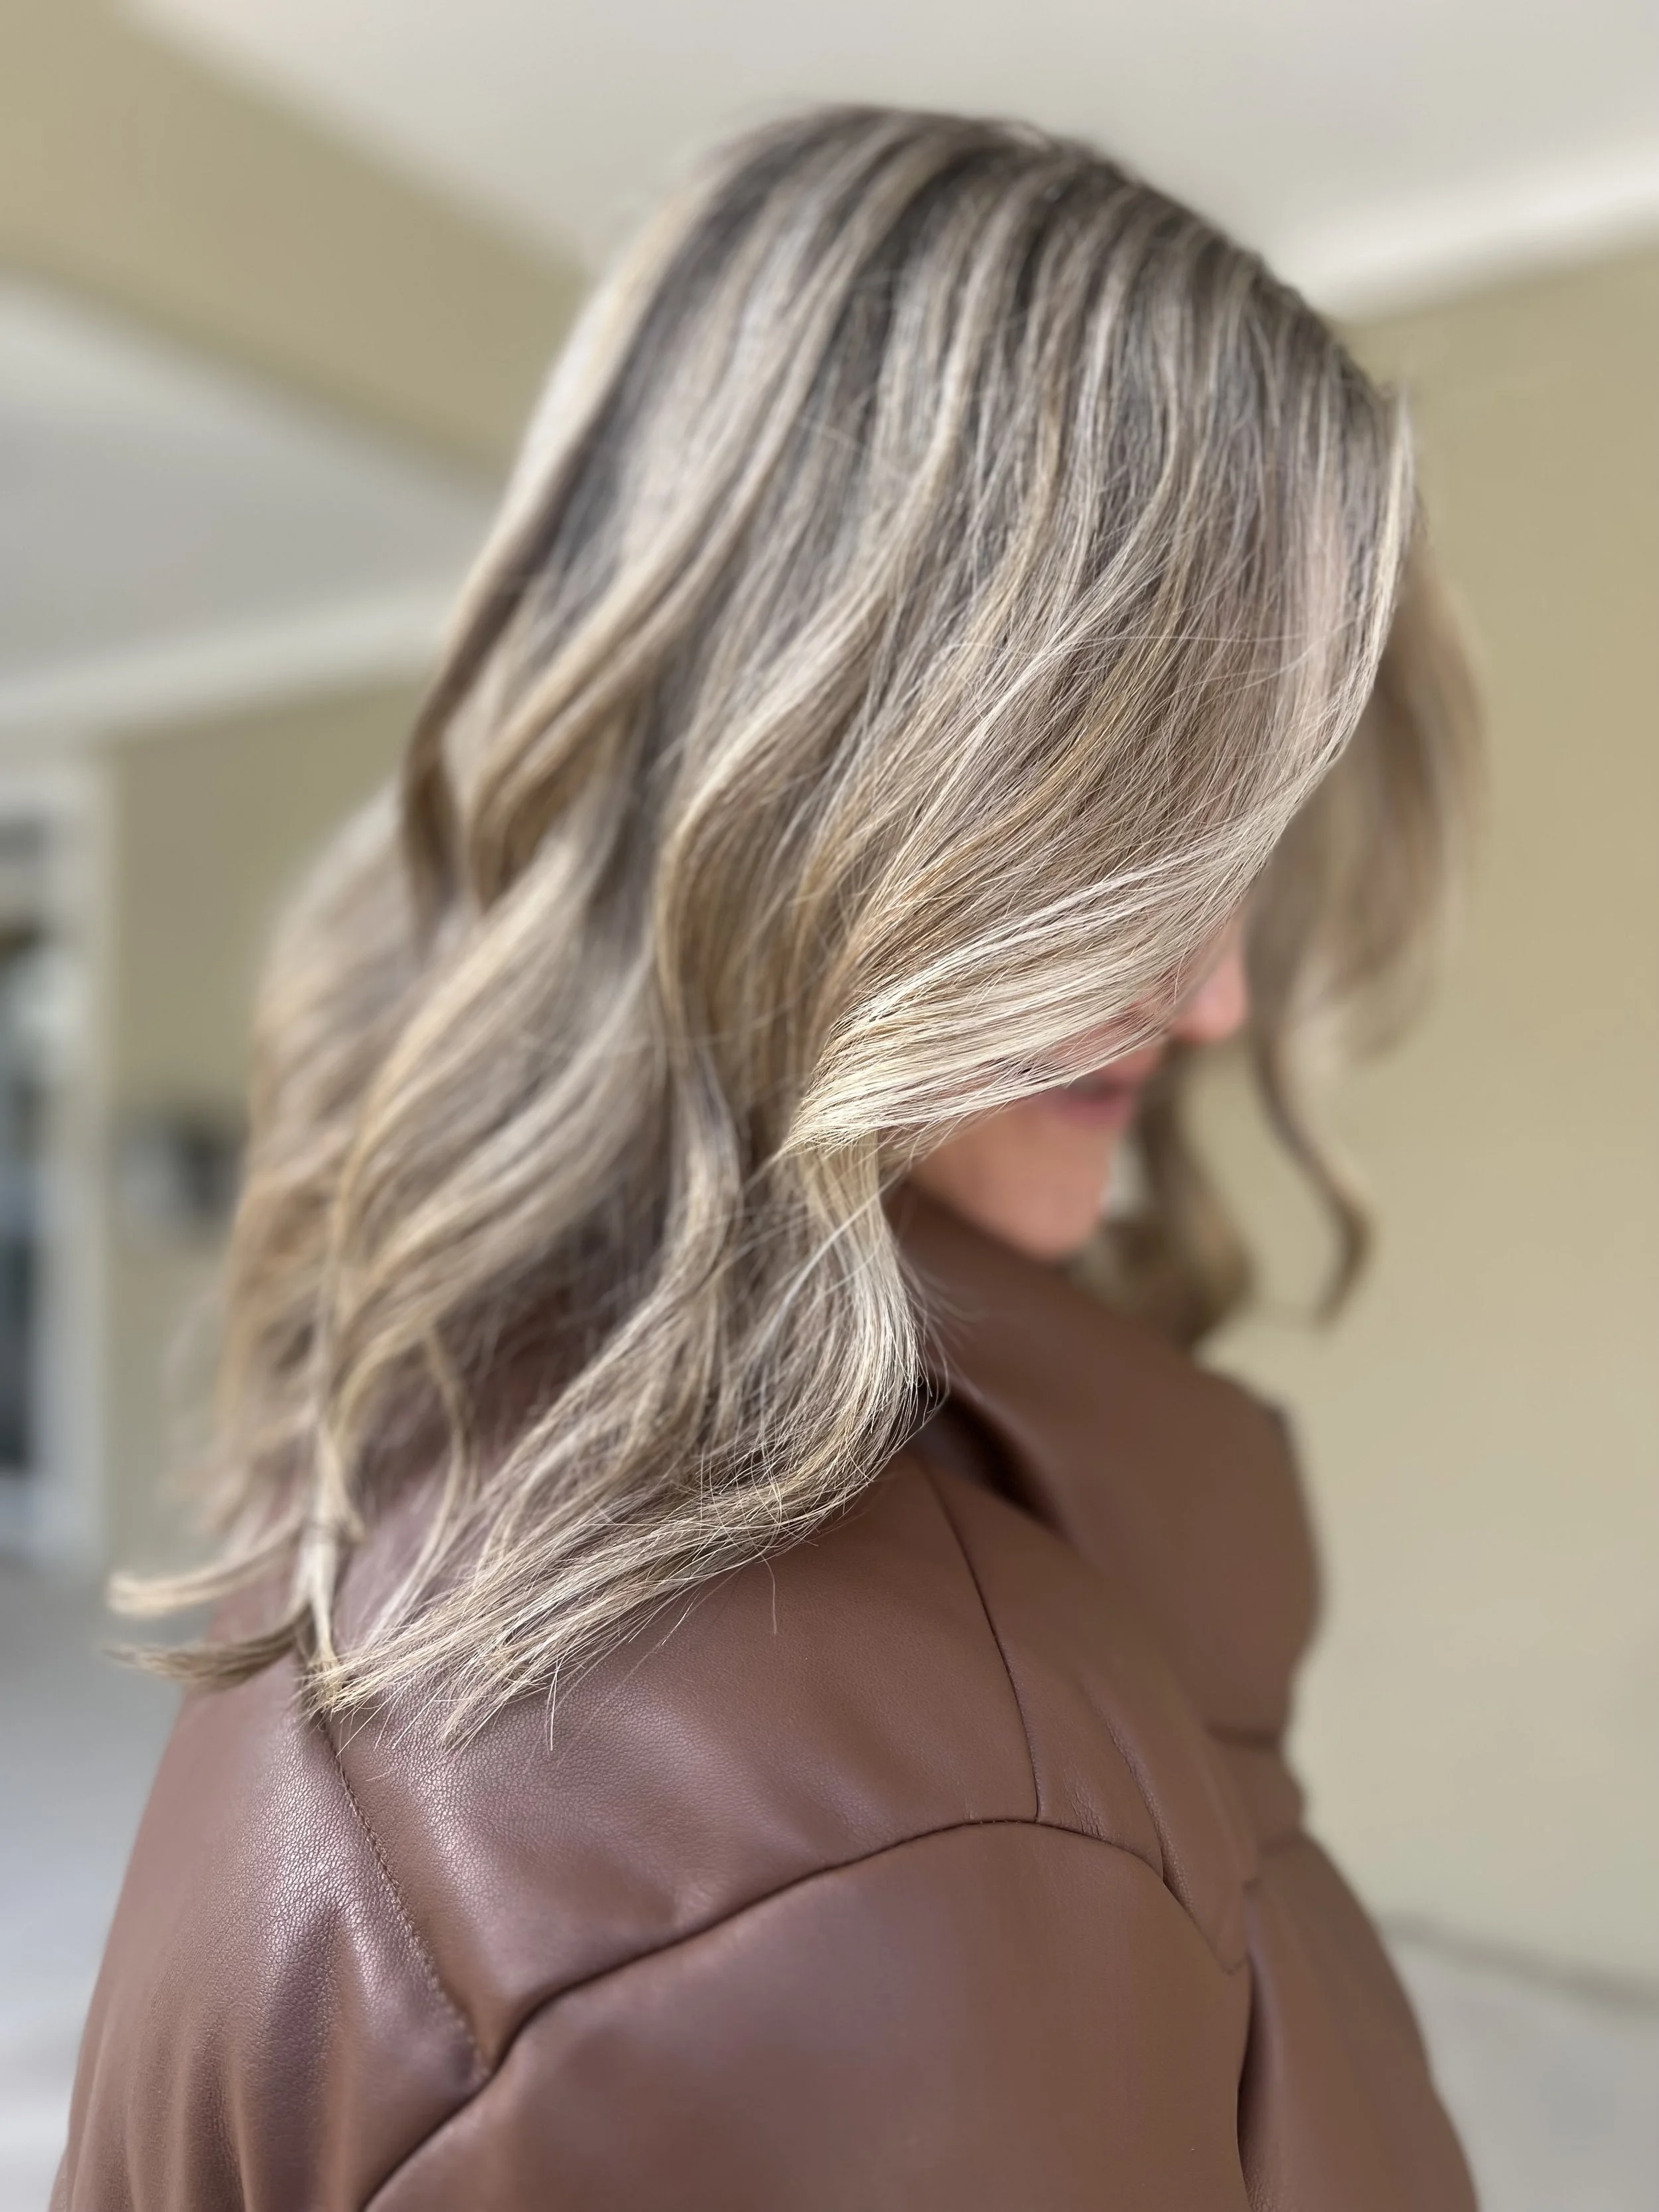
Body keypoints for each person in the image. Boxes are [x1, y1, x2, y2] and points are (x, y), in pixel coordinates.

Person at [56, 106, 1480, 2210]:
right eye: (1124, 834)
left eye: (1232, 850)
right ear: (823, 773)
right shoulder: (863, 1843)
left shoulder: (547, 1486)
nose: (1214, 1002)